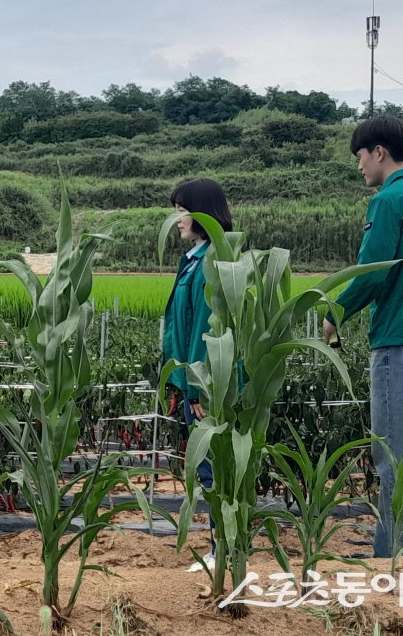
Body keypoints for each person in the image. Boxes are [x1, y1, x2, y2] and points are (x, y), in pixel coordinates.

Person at [322, 115, 403, 558]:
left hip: (399, 342)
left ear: (379, 153)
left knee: (394, 456)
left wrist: (335, 314)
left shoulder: (389, 201)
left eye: (360, 157)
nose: (359, 168)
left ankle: (396, 554)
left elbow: (371, 274)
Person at [162, 177, 233, 572]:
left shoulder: (211, 263)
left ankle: (220, 549)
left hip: (207, 384)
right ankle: (218, 544)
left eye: (182, 211)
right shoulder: (192, 260)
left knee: (211, 465)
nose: (177, 221)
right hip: (191, 381)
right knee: (206, 464)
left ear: (203, 213)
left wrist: (198, 388)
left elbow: (208, 332)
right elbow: (179, 327)